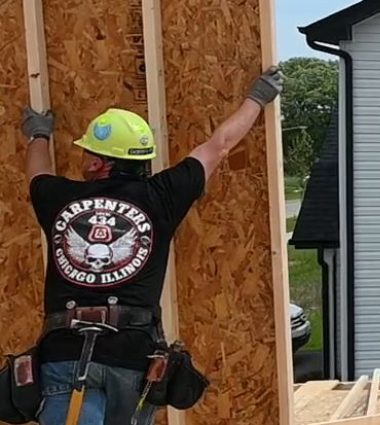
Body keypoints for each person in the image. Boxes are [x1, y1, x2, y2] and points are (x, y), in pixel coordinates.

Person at [15, 66, 281, 425]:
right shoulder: (162, 195)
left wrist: (38, 134)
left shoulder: (58, 197)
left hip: (66, 355)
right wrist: (258, 97)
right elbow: (219, 146)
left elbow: (37, 173)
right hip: (133, 358)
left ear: (96, 163)